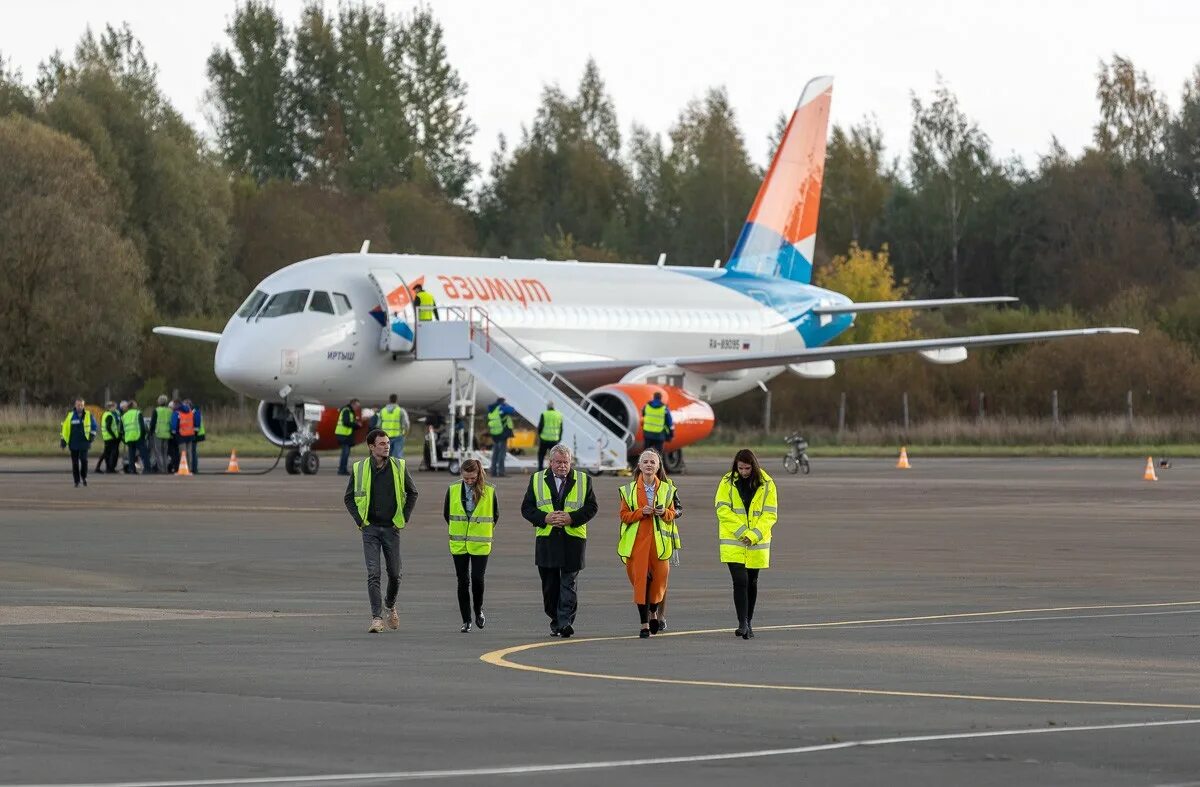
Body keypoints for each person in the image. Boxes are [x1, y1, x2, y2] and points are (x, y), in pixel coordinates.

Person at [343, 428, 418, 633]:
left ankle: (390, 605)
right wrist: (361, 521)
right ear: (371, 447)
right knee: (373, 573)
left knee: (395, 574)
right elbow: (348, 498)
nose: (386, 447)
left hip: (391, 528)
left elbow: (413, 493)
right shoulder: (359, 468)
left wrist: (403, 518)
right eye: (382, 444)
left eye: (387, 443)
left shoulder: (399, 466)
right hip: (370, 529)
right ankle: (376, 618)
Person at [521, 443, 597, 638]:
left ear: (570, 462)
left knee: (568, 583)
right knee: (550, 586)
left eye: (566, 462)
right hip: (547, 540)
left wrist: (572, 518)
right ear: (550, 462)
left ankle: (565, 622)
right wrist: (544, 518)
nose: (562, 466)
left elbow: (591, 507)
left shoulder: (583, 480)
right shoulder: (537, 479)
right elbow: (527, 508)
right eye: (558, 462)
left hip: (573, 539)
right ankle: (555, 619)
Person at [715, 449, 778, 640]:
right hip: (734, 540)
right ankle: (742, 623)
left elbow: (770, 514)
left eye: (747, 468)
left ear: (754, 466)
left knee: (752, 582)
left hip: (756, 542)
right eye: (740, 468)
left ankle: (748, 622)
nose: (743, 472)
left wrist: (754, 535)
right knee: (740, 581)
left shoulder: (767, 484)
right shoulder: (727, 482)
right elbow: (722, 509)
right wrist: (743, 532)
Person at [618, 450, 679, 638]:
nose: (649, 465)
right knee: (641, 582)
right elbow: (624, 515)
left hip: (659, 543)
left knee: (659, 581)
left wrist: (665, 513)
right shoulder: (627, 490)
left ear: (659, 466)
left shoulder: (668, 489)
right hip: (637, 543)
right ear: (639, 465)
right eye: (645, 462)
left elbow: (675, 512)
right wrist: (640, 512)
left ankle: (654, 610)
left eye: (653, 462)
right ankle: (644, 623)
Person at [443, 458, 496, 633]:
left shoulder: (489, 491)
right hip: (459, 542)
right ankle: (466, 620)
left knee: (477, 579)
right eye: (466, 479)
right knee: (462, 581)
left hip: (480, 542)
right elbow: (447, 514)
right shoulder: (452, 490)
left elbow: (494, 515)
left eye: (472, 478)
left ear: (478, 474)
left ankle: (478, 610)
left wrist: (479, 529)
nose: (469, 482)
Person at [60, 398, 98, 487]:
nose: (79, 407)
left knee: (84, 461)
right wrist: (63, 441)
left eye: (81, 405)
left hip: (84, 443)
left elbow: (94, 427)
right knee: (75, 463)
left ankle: (84, 477)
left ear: (84, 405)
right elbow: (64, 430)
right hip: (73, 443)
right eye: (78, 405)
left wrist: (92, 436)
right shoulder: (70, 416)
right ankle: (76, 481)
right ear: (75, 405)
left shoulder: (88, 415)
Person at [486, 396, 516, 478]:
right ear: (502, 402)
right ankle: (501, 472)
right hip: (502, 433)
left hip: (495, 433)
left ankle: (493, 472)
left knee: (495, 453)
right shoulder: (502, 408)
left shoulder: (492, 409)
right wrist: (506, 405)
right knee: (501, 454)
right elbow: (512, 410)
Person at [641, 391, 674, 457]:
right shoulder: (664, 409)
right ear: (660, 398)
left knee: (646, 454)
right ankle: (657, 465)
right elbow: (669, 422)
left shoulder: (646, 406)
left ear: (653, 397)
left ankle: (645, 466)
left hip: (647, 434)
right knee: (657, 455)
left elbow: (643, 414)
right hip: (659, 435)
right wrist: (671, 433)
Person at [172, 399, 200, 472]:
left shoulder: (177, 413)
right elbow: (194, 423)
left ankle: (183, 467)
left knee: (183, 452)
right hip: (190, 434)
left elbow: (174, 425)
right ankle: (190, 468)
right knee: (189, 452)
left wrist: (173, 432)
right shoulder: (190, 412)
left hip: (181, 435)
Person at [377, 394, 410, 458]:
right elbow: (406, 424)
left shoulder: (382, 411)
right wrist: (405, 434)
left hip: (385, 436)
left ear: (389, 400)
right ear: (397, 400)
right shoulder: (401, 411)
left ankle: (386, 468)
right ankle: (396, 468)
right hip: (398, 436)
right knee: (397, 455)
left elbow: (378, 425)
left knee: (386, 455)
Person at [121, 399, 149, 474]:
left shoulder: (124, 416)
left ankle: (132, 470)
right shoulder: (137, 413)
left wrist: (124, 438)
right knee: (144, 454)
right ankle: (147, 469)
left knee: (131, 455)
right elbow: (142, 426)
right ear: (134, 406)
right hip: (138, 436)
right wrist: (144, 435)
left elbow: (121, 429)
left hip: (129, 438)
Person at [95, 400, 122, 474]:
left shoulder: (108, 414)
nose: (115, 408)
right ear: (110, 407)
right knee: (110, 453)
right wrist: (114, 436)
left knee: (106, 453)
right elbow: (108, 427)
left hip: (108, 437)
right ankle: (109, 468)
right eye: (114, 407)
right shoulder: (109, 415)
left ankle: (105, 468)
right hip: (110, 437)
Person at [335, 398, 361, 476]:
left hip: (345, 434)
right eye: (357, 406)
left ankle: (343, 469)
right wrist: (356, 424)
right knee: (345, 453)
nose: (357, 408)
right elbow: (346, 422)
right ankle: (342, 470)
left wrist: (355, 425)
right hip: (344, 435)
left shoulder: (349, 411)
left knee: (345, 453)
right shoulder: (347, 410)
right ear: (353, 404)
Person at [148, 395, 172, 474]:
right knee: (165, 453)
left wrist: (150, 432)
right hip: (167, 433)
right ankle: (166, 469)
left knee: (158, 453)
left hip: (158, 433)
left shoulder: (156, 410)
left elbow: (153, 423)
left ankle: (161, 470)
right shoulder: (170, 411)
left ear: (159, 402)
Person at [536, 402, 562, 472]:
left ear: (547, 407)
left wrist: (539, 435)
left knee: (541, 454)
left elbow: (540, 426)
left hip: (544, 439)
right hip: (554, 439)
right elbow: (561, 428)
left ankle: (540, 469)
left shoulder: (544, 414)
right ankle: (553, 470)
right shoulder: (559, 414)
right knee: (554, 456)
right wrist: (559, 438)